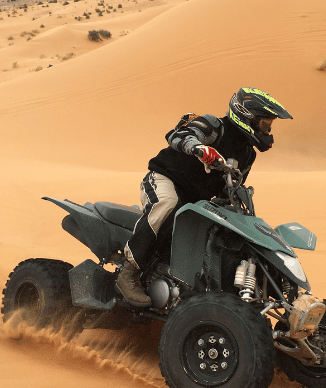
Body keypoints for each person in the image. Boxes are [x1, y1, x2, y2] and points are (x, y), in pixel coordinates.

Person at [116, 87, 293, 307]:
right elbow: (177, 135)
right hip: (164, 180)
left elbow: (230, 189)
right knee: (167, 203)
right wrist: (199, 148)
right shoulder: (214, 126)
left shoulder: (247, 154)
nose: (267, 130)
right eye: (264, 123)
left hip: (196, 201)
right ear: (246, 117)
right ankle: (129, 272)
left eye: (269, 125)